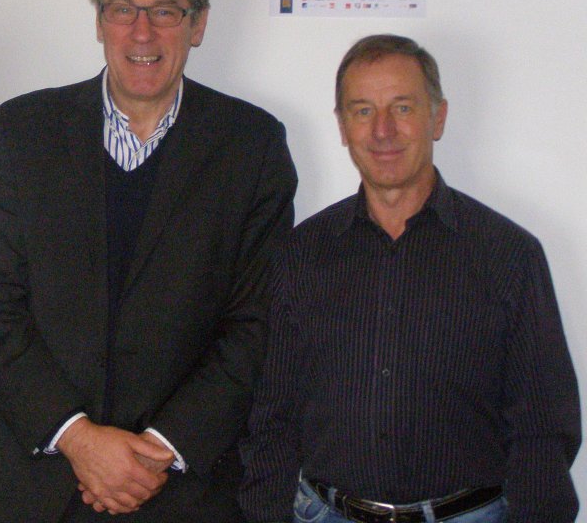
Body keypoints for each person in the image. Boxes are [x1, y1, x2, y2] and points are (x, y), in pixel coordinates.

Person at [0, 0, 298, 522]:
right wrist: (79, 438)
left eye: (165, 11)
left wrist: (156, 453)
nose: (143, 32)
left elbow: (258, 321)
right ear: (99, 21)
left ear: (198, 25)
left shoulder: (251, 145)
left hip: (183, 489)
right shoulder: (22, 132)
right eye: (122, 9)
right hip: (34, 483)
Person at [239, 34, 580, 523]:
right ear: (342, 125)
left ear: (437, 117)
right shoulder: (301, 254)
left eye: (402, 108)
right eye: (362, 111)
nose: (382, 131)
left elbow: (542, 429)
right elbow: (272, 416)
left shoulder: (508, 255)